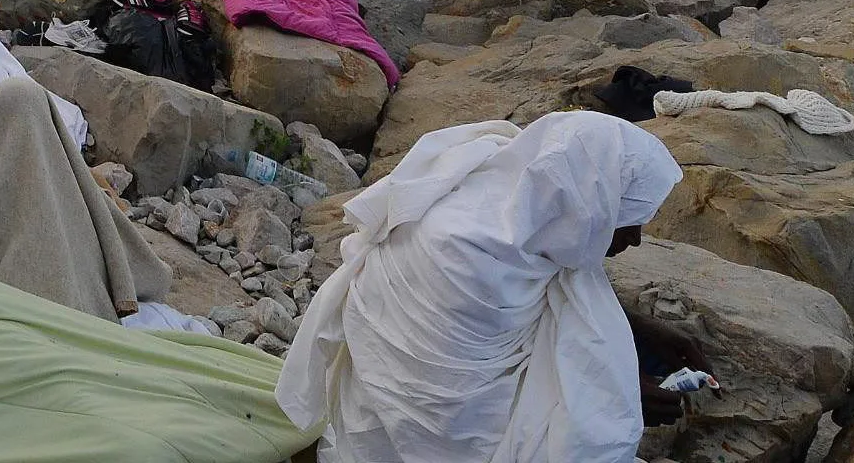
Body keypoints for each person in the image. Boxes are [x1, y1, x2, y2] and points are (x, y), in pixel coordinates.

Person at [279, 111, 683, 463]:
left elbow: (557, 303)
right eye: (629, 218)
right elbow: (452, 414)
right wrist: (617, 397)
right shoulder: (464, 260)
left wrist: (654, 337)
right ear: (587, 205)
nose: (636, 239)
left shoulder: (509, 203)